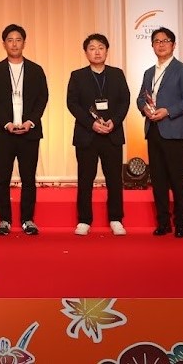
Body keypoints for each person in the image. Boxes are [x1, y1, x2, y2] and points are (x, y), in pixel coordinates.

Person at [0, 24, 49, 236]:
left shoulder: (36, 70)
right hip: (3, 132)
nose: (14, 44)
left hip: (30, 133)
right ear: (4, 44)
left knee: (28, 178)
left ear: (24, 43)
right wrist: (7, 123)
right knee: (2, 178)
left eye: (18, 40)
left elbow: (42, 98)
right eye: (10, 40)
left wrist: (31, 121)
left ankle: (27, 220)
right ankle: (4, 220)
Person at [66, 33, 130, 236]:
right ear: (86, 52)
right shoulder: (77, 76)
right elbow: (72, 104)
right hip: (87, 135)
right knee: (85, 179)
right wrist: (91, 124)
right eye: (92, 48)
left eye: (101, 47)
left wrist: (114, 121)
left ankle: (116, 219)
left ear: (107, 51)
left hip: (112, 133)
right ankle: (84, 220)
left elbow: (124, 101)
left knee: (114, 179)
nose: (97, 52)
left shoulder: (117, 74)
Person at [136, 27, 183, 238]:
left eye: (165, 41)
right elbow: (141, 98)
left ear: (173, 45)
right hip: (153, 130)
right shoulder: (148, 72)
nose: (161, 44)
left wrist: (167, 111)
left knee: (177, 180)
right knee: (158, 180)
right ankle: (163, 222)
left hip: (174, 131)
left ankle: (180, 223)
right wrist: (144, 108)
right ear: (152, 45)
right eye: (157, 41)